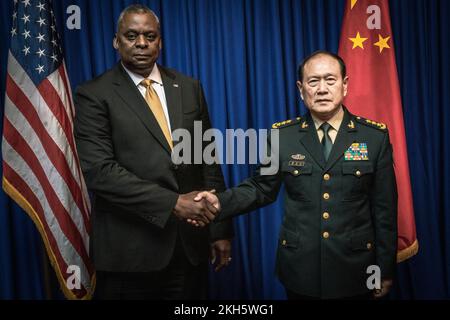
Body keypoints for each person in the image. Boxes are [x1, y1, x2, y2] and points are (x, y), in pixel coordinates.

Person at [195, 51, 398, 299]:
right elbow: (261, 188)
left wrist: (383, 271)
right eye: (313, 81)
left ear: (345, 85)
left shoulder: (374, 137)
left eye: (330, 80)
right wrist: (219, 202)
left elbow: (384, 210)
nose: (322, 89)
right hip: (301, 271)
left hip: (358, 271)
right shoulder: (283, 136)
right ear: (301, 90)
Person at [74, 4, 233, 300]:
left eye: (150, 36)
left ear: (160, 41)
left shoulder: (188, 87)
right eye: (132, 35)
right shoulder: (94, 94)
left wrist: (220, 229)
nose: (142, 43)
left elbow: (206, 160)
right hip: (130, 254)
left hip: (189, 249)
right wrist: (173, 203)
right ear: (116, 41)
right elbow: (101, 173)